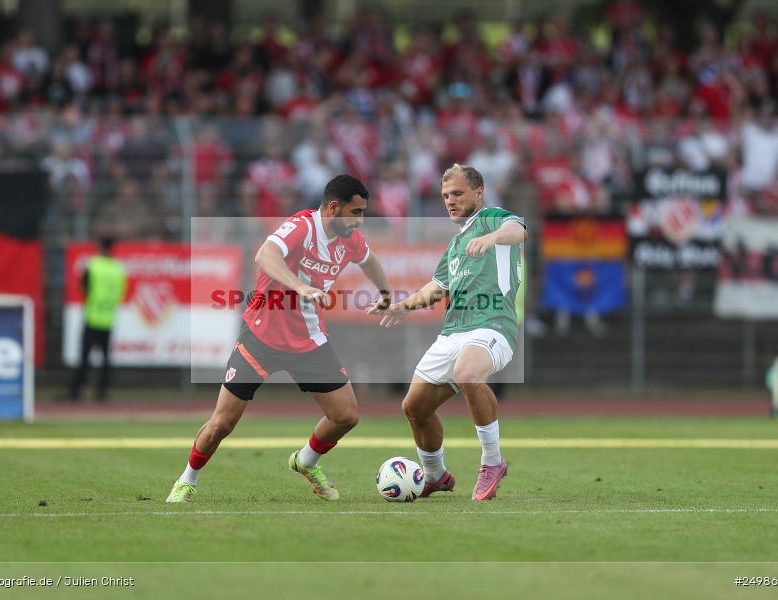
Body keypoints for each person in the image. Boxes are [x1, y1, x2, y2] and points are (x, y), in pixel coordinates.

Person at [166, 174, 393, 503]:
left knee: (346, 416)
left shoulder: (351, 239)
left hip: (310, 342)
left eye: (363, 213)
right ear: (333, 208)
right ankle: (187, 479)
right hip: (261, 338)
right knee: (223, 423)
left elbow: (369, 260)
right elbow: (265, 254)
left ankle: (306, 461)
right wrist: (299, 286)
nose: (360, 221)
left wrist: (385, 293)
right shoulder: (302, 226)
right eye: (355, 212)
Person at [369, 164, 527, 501]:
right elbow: (437, 287)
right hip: (453, 332)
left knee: (468, 373)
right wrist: (403, 306)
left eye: (457, 193)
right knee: (414, 407)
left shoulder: (493, 219)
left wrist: (491, 237)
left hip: (493, 324)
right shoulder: (456, 244)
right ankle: (435, 475)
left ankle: (493, 462)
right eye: (445, 196)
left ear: (479, 193)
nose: (450, 201)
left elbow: (518, 230)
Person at [68, 237, 127, 401]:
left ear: (100, 248)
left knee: (84, 357)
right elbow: (121, 292)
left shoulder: (93, 265)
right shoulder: (117, 269)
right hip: (108, 318)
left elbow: (83, 287)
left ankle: (76, 390)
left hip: (93, 317)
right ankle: (102, 391)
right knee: (106, 358)